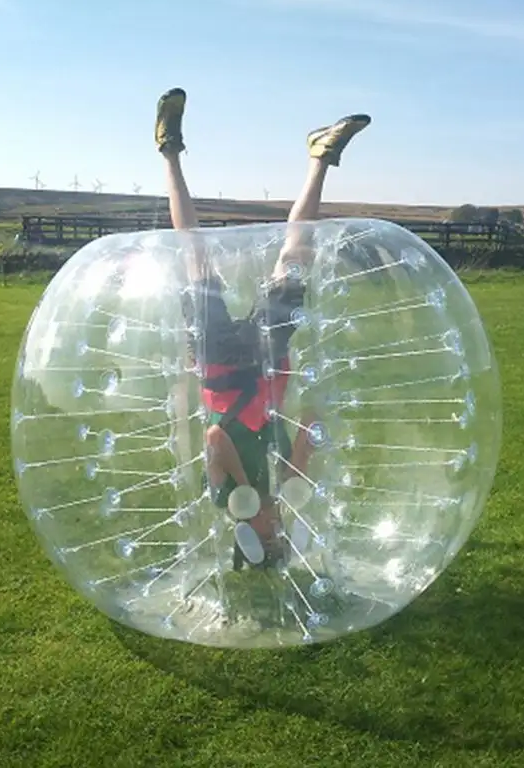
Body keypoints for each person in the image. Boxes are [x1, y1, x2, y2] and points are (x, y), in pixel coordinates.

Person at [154, 87, 370, 570]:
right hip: (267, 369)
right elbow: (310, 421)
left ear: (251, 538)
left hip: (222, 369)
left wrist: (251, 492)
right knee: (295, 261)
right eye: (281, 538)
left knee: (196, 256)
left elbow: (215, 440)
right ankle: (322, 156)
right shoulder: (283, 495)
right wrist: (304, 456)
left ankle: (169, 149)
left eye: (272, 538)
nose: (278, 529)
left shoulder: (226, 499)